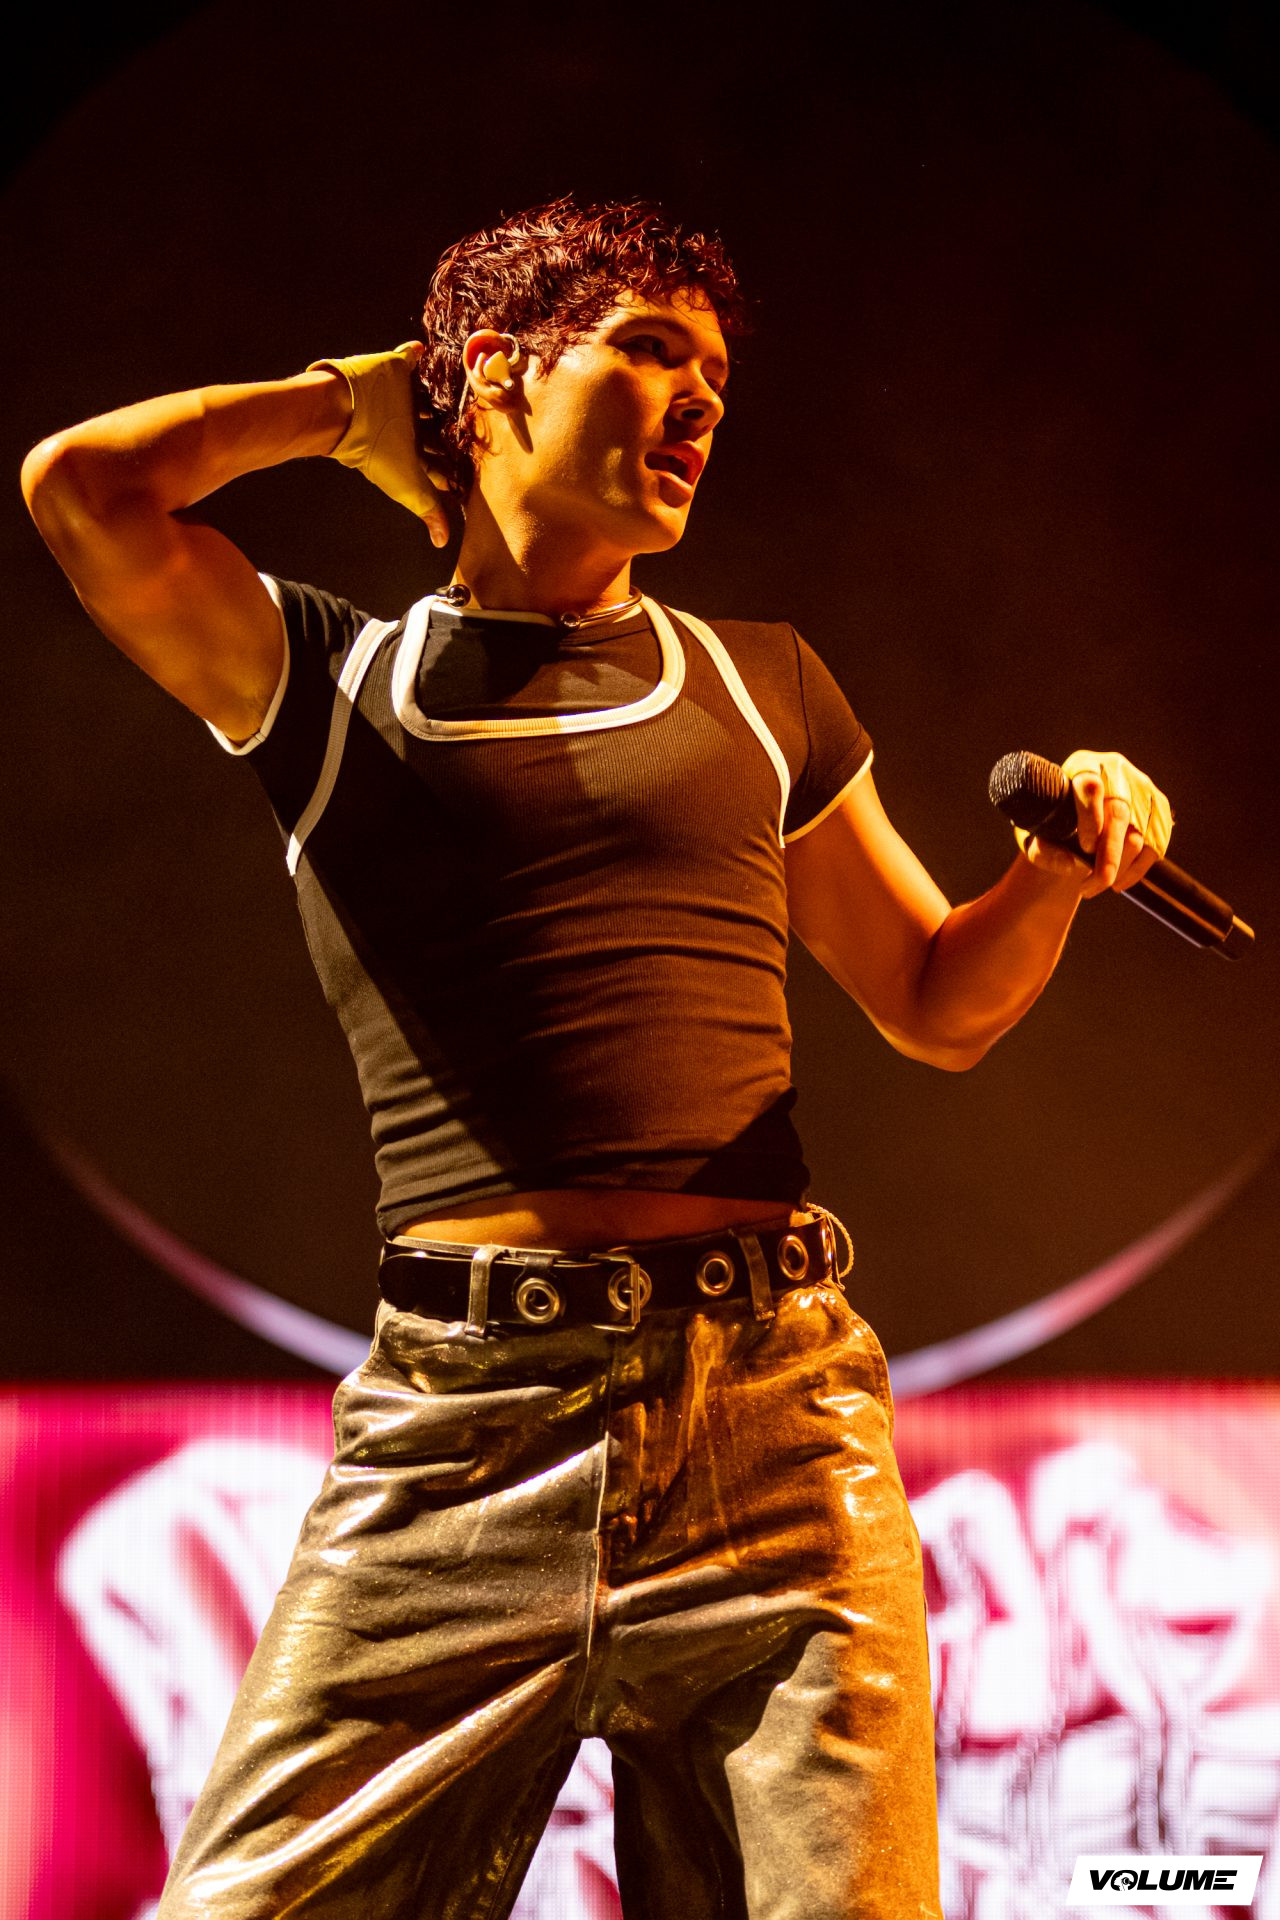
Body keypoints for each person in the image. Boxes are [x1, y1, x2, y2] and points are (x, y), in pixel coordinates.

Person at [22, 195, 1170, 1920]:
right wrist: (358, 402)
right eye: (649, 351)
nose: (702, 398)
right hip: (460, 1437)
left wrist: (1055, 879)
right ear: (496, 371)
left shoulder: (763, 683)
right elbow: (83, 489)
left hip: (776, 1421)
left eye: (717, 376)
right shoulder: (329, 677)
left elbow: (936, 1002)